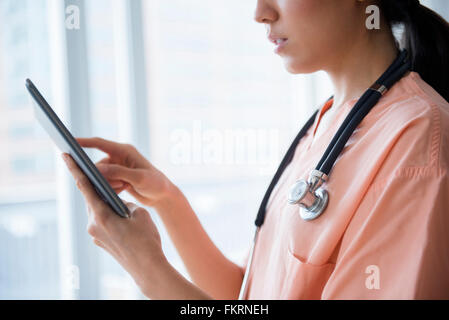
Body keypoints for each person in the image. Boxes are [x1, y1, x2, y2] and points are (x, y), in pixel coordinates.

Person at [62, 0, 449, 299]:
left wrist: (147, 267)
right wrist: (167, 199)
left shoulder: (418, 136)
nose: (260, 13)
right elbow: (244, 294)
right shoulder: (324, 124)